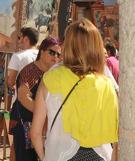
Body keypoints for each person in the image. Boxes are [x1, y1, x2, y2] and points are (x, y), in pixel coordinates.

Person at [31, 19, 119, 161]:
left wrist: (44, 157)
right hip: (99, 155)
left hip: (59, 155)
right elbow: (116, 138)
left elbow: (35, 133)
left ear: (67, 45)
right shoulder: (106, 84)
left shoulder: (50, 78)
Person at [10, 37, 62, 161]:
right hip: (25, 125)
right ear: (42, 51)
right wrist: (45, 113)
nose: (55, 57)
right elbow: (24, 97)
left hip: (40, 127)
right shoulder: (31, 71)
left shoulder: (51, 73)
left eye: (59, 54)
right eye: (52, 52)